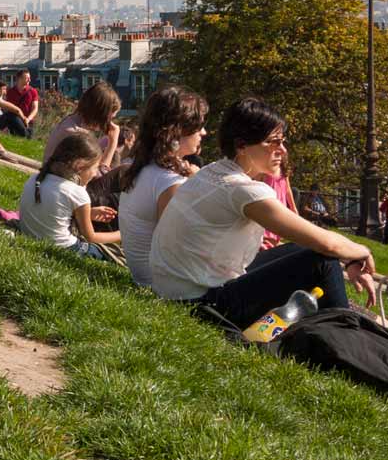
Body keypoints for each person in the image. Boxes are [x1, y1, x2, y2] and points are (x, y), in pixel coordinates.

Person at [150, 98, 378, 328]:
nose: (283, 150)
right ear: (242, 145)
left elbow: (312, 237)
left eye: (283, 141)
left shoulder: (213, 171)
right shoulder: (241, 190)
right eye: (273, 142)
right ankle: (348, 335)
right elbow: (329, 246)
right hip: (201, 304)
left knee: (306, 248)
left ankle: (338, 326)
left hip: (175, 292)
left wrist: (349, 259)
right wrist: (362, 251)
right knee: (321, 262)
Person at [116, 86, 207, 288]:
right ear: (179, 130)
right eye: (198, 126)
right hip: (169, 285)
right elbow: (179, 246)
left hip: (149, 276)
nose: (203, 132)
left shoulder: (140, 165)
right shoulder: (170, 182)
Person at [19, 131, 120, 260]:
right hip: (62, 248)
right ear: (80, 166)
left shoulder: (35, 179)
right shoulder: (78, 193)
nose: (95, 174)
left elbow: (53, 208)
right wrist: (121, 234)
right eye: (95, 168)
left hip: (29, 236)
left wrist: (89, 213)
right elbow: (91, 237)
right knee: (113, 253)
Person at [43, 81, 121, 170]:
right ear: (100, 114)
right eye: (110, 118)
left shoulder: (70, 121)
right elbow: (98, 176)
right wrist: (113, 142)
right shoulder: (76, 133)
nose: (109, 122)